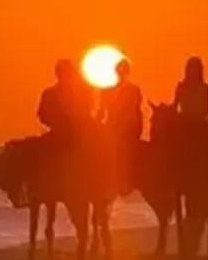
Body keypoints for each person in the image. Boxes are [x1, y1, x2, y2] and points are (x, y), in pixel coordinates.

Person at [99, 57, 143, 194]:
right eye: (121, 70)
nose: (122, 73)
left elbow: (136, 111)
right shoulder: (108, 91)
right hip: (113, 131)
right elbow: (101, 113)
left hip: (126, 131)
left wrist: (137, 130)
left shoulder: (133, 90)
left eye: (123, 70)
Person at [37, 58, 94, 146]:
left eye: (69, 73)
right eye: (64, 73)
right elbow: (42, 114)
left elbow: (87, 113)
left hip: (79, 135)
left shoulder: (82, 94)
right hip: (57, 135)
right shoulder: (49, 94)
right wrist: (59, 124)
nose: (67, 77)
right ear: (58, 74)